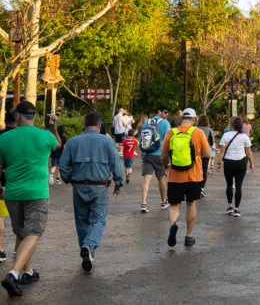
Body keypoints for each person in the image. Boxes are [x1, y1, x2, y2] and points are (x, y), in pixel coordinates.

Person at [0, 101, 61, 297]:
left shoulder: (5, 138)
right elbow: (58, 146)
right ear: (33, 117)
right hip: (36, 193)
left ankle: (28, 271)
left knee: (21, 233)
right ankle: (13, 273)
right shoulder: (45, 136)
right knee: (33, 233)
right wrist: (52, 126)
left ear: (17, 116)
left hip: (13, 193)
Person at [59, 111, 125, 272]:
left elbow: (63, 166)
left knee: (82, 222)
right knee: (98, 220)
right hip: (100, 186)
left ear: (84, 124)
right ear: (100, 124)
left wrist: (68, 178)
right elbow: (116, 164)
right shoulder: (106, 141)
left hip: (79, 186)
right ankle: (89, 247)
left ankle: (86, 251)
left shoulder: (73, 142)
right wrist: (119, 182)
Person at [161, 108, 210, 247]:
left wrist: (166, 167)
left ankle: (173, 224)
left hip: (175, 175)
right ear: (194, 119)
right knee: (191, 203)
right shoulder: (198, 132)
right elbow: (207, 154)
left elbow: (164, 155)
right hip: (194, 176)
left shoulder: (171, 132)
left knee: (174, 205)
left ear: (182, 119)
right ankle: (189, 236)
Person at [217, 117, 254, 217]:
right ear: (241, 125)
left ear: (232, 125)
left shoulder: (226, 135)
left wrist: (219, 163)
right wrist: (251, 164)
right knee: (239, 186)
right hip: (241, 162)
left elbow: (222, 151)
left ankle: (230, 207)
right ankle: (237, 209)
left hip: (228, 162)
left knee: (229, 185)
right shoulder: (245, 137)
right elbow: (248, 152)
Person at [140, 105, 171, 214]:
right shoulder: (165, 123)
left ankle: (143, 203)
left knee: (146, 179)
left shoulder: (147, 122)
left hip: (147, 153)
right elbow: (168, 140)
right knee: (161, 178)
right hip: (159, 155)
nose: (167, 114)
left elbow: (142, 138)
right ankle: (163, 201)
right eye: (165, 112)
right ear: (159, 112)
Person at [0, 111, 18, 264]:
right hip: (20, 182)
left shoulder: (1, 136)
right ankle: (19, 249)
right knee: (22, 219)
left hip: (2, 183)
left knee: (0, 218)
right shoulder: (21, 136)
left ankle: (0, 249)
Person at [197, 115, 215, 197]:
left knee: (196, 169)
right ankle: (201, 188)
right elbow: (212, 142)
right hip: (205, 152)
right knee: (204, 169)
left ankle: (196, 186)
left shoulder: (195, 129)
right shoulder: (209, 130)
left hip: (196, 152)